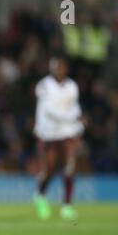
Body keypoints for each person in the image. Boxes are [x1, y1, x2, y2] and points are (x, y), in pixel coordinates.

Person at [33, 55, 85, 221]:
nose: (58, 69)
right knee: (49, 169)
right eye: (55, 66)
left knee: (69, 167)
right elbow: (50, 111)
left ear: (66, 68)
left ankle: (67, 206)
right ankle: (40, 196)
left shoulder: (72, 86)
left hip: (66, 132)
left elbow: (75, 107)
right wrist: (74, 119)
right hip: (47, 132)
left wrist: (78, 123)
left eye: (61, 66)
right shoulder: (44, 86)